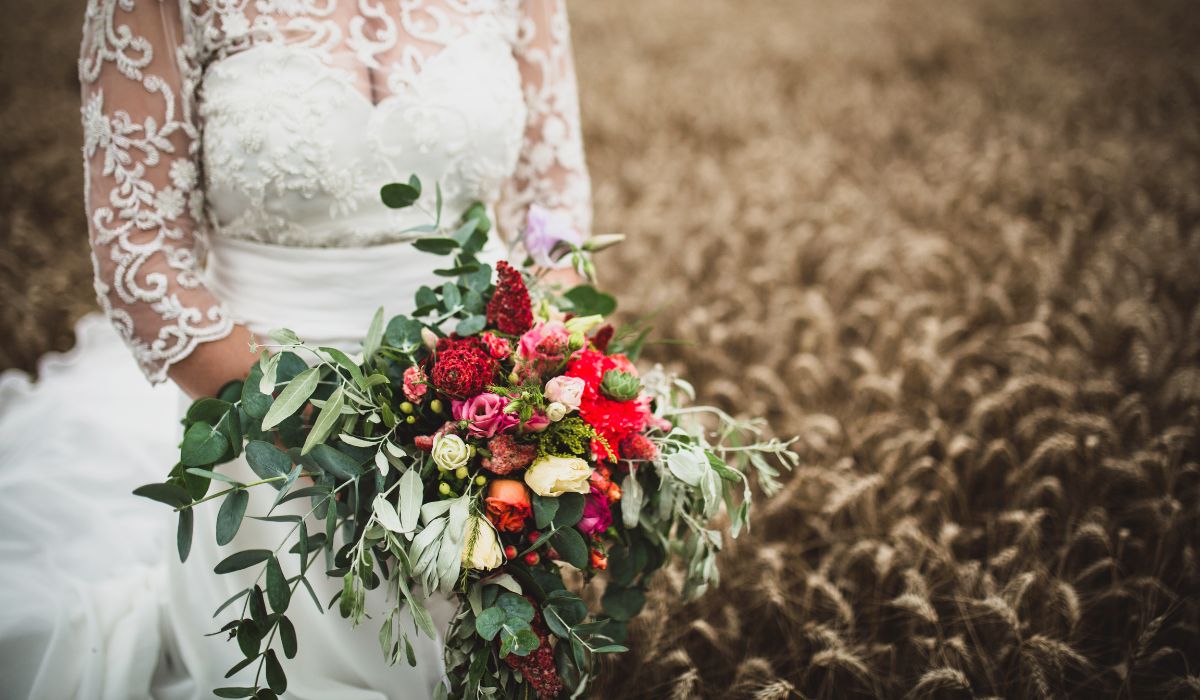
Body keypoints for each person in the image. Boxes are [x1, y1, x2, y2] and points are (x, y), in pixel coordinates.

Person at [0, 1, 591, 697]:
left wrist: (528, 388)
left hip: (489, 433)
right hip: (273, 438)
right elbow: (142, 261)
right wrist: (338, 432)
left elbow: (553, 218)